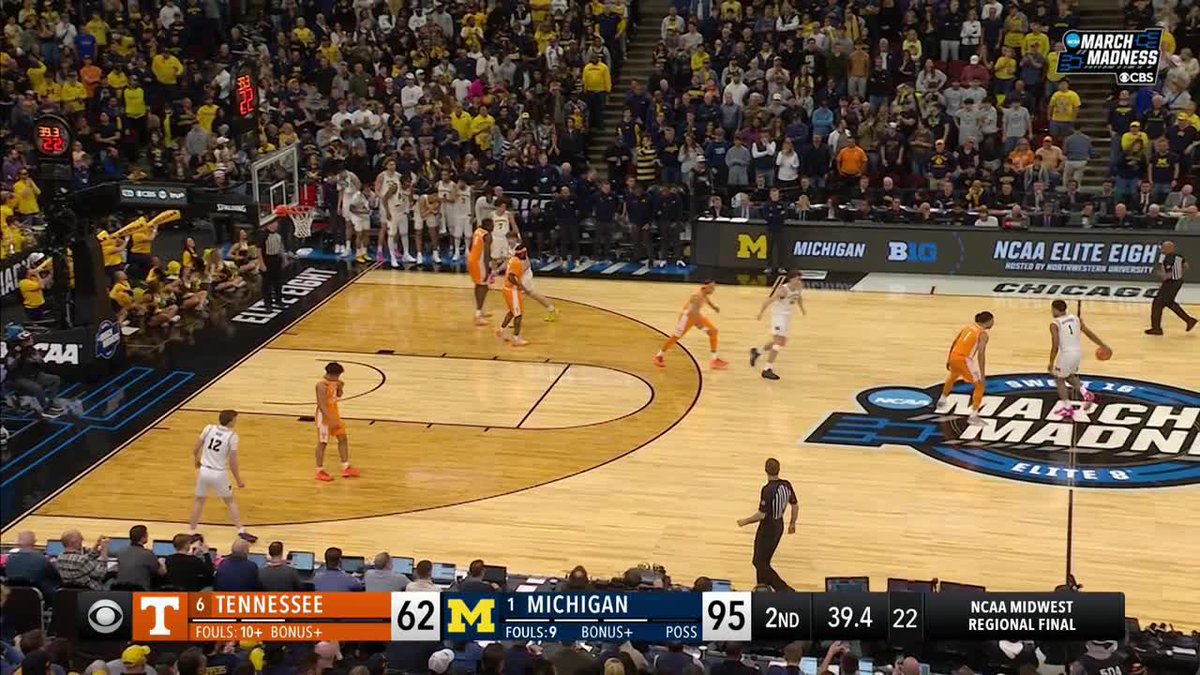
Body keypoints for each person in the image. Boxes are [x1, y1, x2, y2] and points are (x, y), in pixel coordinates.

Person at [188, 410, 257, 543]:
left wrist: (196, 460)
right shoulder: (232, 437)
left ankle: (191, 531)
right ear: (231, 421)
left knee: (199, 501)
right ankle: (241, 531)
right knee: (230, 501)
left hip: (204, 471)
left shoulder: (208, 428)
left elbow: (195, 449)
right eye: (235, 419)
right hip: (219, 473)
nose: (236, 421)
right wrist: (238, 480)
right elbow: (233, 461)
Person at [736, 458, 797, 591]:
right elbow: (795, 505)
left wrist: (745, 521)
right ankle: (762, 587)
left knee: (758, 562)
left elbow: (761, 515)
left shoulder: (767, 490)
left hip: (768, 528)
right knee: (763, 561)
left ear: (765, 470)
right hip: (779, 525)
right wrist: (792, 523)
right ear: (779, 469)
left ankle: (784, 589)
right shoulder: (786, 484)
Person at [1047, 300, 1109, 420]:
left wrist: (1051, 362)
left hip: (1066, 354)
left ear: (1055, 309)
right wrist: (1102, 345)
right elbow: (1088, 333)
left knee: (1059, 379)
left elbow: (1055, 344)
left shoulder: (1055, 324)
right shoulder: (1076, 318)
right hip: (1077, 353)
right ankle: (1087, 394)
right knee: (1070, 376)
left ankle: (1067, 408)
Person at [653, 281, 728, 370]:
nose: (713, 290)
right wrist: (703, 328)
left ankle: (714, 360)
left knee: (714, 331)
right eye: (711, 287)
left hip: (695, 315)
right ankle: (659, 356)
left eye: (714, 287)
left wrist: (714, 307)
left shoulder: (703, 294)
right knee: (676, 337)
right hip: (687, 318)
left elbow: (706, 300)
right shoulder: (696, 297)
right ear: (705, 287)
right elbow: (692, 314)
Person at [937, 311, 995, 426]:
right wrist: (982, 375)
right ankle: (973, 416)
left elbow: (954, 342)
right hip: (964, 360)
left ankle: (942, 401)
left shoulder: (967, 328)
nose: (993, 323)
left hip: (954, 356)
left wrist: (949, 358)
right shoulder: (983, 334)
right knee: (980, 385)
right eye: (992, 320)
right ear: (988, 321)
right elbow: (981, 354)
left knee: (953, 376)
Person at [750, 271, 806, 380]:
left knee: (781, 342)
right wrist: (760, 313)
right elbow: (768, 301)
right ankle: (767, 369)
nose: (799, 281)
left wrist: (802, 308)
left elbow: (799, 297)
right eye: (797, 279)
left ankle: (757, 352)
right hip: (778, 317)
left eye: (800, 279)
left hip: (786, 317)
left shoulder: (799, 287)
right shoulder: (783, 290)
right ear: (791, 279)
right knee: (778, 342)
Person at [3, 325, 63, 417]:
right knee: (37, 388)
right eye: (27, 339)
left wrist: (38, 360)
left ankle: (51, 402)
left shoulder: (31, 350)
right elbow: (10, 367)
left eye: (29, 337)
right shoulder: (12, 354)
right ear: (20, 342)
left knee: (55, 379)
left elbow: (40, 363)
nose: (31, 339)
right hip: (18, 378)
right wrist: (17, 358)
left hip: (33, 375)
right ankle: (45, 410)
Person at [315, 362, 360, 481]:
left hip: (334, 414)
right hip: (324, 417)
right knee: (322, 443)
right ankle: (319, 470)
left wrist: (341, 387)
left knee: (343, 438)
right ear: (331, 374)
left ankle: (345, 466)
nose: (338, 378)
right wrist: (330, 420)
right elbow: (321, 405)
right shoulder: (321, 385)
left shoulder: (334, 383)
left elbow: (338, 396)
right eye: (338, 375)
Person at [1146, 240, 1197, 335]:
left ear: (1169, 248)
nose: (1161, 249)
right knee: (1169, 303)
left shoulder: (1173, 258)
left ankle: (1157, 328)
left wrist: (1164, 275)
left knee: (1157, 303)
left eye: (1163, 248)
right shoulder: (1169, 257)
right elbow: (1186, 266)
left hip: (1172, 283)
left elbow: (1174, 273)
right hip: (1172, 283)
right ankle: (1189, 320)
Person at [376, 159, 413, 266]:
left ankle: (406, 254)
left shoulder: (406, 184)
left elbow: (408, 200)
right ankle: (391, 257)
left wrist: (408, 210)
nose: (409, 184)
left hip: (402, 212)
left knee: (404, 233)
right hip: (392, 211)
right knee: (391, 233)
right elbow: (384, 199)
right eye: (390, 164)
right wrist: (387, 212)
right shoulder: (394, 185)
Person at [496, 245, 531, 347]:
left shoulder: (513, 260)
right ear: (521, 253)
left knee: (512, 312)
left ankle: (501, 330)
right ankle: (516, 339)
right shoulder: (516, 262)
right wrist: (520, 286)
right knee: (518, 315)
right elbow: (511, 277)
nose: (526, 255)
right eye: (525, 253)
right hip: (512, 291)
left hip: (508, 289)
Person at [115, 524, 166, 590]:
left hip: (121, 591)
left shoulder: (120, 552)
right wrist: (162, 562)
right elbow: (161, 572)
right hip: (141, 592)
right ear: (142, 538)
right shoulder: (148, 553)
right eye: (146, 535)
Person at [468, 219, 494, 326]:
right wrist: (487, 269)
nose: (493, 227)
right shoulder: (487, 236)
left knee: (480, 285)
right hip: (480, 263)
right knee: (482, 286)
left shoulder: (477, 231)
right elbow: (487, 254)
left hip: (472, 260)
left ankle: (481, 309)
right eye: (492, 225)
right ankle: (478, 314)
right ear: (488, 226)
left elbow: (470, 246)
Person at [261, 219, 285, 311]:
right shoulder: (263, 235)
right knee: (267, 284)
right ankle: (268, 303)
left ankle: (278, 300)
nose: (274, 225)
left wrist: (284, 259)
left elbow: (281, 247)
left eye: (275, 223)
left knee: (278, 282)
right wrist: (261, 263)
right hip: (267, 259)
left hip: (277, 259)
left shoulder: (278, 235)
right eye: (272, 223)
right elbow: (258, 250)